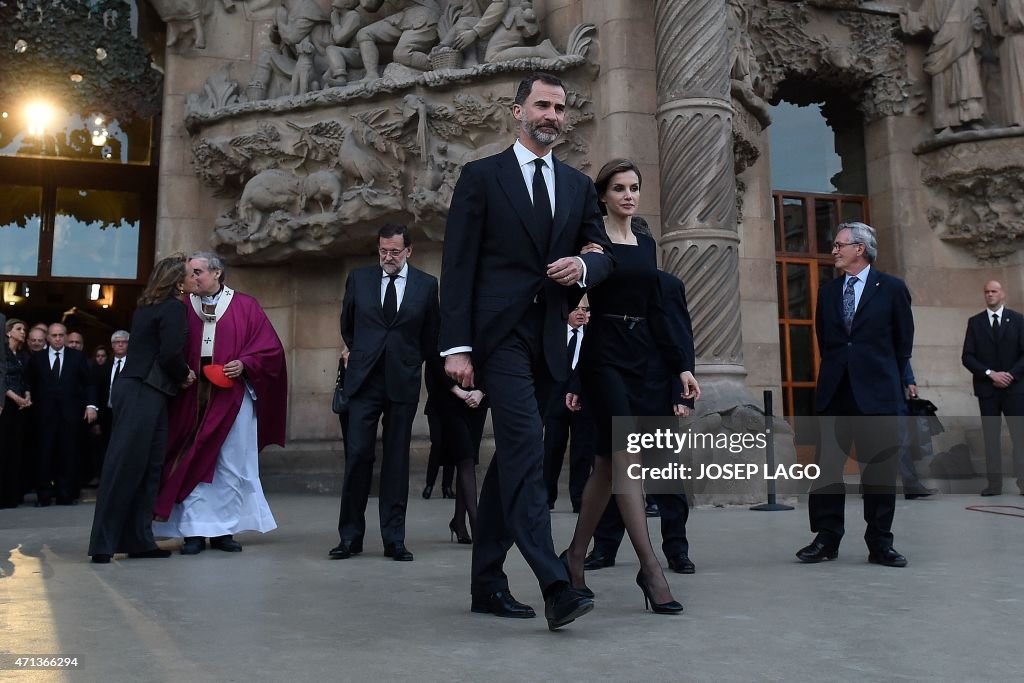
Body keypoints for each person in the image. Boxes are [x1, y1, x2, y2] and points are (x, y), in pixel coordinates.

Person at [440, 72, 613, 630]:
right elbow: (458, 266)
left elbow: (601, 251)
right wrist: (456, 348)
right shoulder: (480, 177)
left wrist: (585, 265)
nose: (552, 116)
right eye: (542, 105)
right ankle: (555, 582)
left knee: (510, 464)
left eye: (560, 108)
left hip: (550, 338)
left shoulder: (578, 185)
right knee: (525, 450)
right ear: (516, 112)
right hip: (497, 338)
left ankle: (486, 582)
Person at [562, 160, 699, 615]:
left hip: (644, 356)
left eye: (634, 188)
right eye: (619, 188)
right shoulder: (591, 238)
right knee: (627, 455)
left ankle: (575, 557)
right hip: (604, 355)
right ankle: (650, 567)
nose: (628, 195)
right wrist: (574, 369)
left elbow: (658, 307)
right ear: (603, 194)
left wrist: (681, 367)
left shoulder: (645, 242)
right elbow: (572, 297)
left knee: (605, 464)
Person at [796, 222, 914, 568]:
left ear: (859, 249)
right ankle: (826, 539)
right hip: (836, 392)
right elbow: (825, 340)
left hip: (877, 394)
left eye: (839, 245)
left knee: (878, 472)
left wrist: (885, 375)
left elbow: (902, 342)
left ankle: (880, 543)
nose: (834, 250)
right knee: (827, 470)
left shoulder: (891, 288)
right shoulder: (830, 292)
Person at [153, 252, 287, 554]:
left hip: (232, 398)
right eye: (189, 273)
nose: (191, 278)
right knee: (192, 458)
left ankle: (224, 530)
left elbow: (271, 350)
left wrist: (245, 363)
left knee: (230, 464)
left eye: (198, 272)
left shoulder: (245, 306)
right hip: (190, 398)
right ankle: (193, 531)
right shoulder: (181, 307)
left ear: (217, 273)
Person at [329, 224, 440, 562]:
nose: (387, 257)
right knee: (358, 456)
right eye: (383, 251)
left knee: (396, 461)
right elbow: (348, 324)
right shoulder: (359, 279)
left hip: (402, 382)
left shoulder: (425, 285)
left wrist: (408, 361)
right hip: (363, 382)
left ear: (409, 251)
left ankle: (394, 538)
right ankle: (350, 537)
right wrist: (360, 353)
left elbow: (430, 336)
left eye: (394, 251)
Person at [584, 269, 698, 575]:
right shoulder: (606, 285)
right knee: (612, 470)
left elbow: (679, 337)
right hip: (614, 388)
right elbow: (592, 339)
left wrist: (682, 395)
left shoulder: (668, 285)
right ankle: (604, 548)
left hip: (655, 390)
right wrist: (576, 385)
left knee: (664, 476)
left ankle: (677, 551)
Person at [88, 256, 196, 563]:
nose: (193, 279)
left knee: (147, 466)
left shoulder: (148, 306)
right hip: (143, 390)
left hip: (144, 390)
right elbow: (170, 354)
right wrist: (184, 374)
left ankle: (138, 540)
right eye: (189, 275)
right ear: (177, 281)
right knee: (126, 466)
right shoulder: (174, 307)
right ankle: (104, 544)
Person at [961, 280, 1024, 496]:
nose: (990, 295)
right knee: (990, 437)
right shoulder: (975, 322)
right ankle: (993, 484)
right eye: (986, 291)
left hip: (1014, 389)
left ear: (1002, 294)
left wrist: (1010, 375)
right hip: (987, 390)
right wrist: (990, 374)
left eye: (994, 291)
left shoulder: (1018, 320)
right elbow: (967, 356)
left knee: (1020, 436)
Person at [24, 323, 98, 506]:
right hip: (43, 416)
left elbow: (88, 383)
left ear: (65, 337)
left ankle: (65, 494)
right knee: (44, 455)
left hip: (70, 415)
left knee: (68, 454)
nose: (57, 338)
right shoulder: (37, 359)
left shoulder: (77, 357)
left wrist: (91, 406)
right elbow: (28, 383)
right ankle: (44, 495)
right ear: (47, 337)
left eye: (60, 335)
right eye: (54, 335)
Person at [424, 353, 487, 544]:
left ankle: (459, 521)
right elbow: (433, 358)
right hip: (448, 397)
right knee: (465, 457)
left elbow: (494, 351)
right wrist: (457, 390)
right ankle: (477, 525)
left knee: (468, 459)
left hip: (478, 398)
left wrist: (482, 391)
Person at [542, 301, 593, 512]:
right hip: (555, 402)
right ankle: (546, 497)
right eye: (576, 309)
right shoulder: (553, 334)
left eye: (585, 309)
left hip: (583, 403)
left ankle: (579, 499)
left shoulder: (593, 335)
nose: (581, 313)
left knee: (582, 452)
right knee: (552, 450)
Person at [2, 318, 32, 508]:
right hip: (6, 404)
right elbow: (2, 381)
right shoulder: (3, 354)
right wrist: (16, 398)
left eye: (24, 329)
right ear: (8, 332)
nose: (23, 332)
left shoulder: (22, 355)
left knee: (16, 449)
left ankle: (12, 495)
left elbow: (25, 379)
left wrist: (27, 396)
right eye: (19, 329)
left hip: (21, 406)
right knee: (3, 449)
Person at [899, 362, 939, 499]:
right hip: (864, 392)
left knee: (902, 441)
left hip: (891, 393)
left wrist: (910, 381)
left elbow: (902, 355)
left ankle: (911, 486)